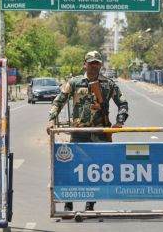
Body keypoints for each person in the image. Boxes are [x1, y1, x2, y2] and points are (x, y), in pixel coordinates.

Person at [46, 50, 129, 212]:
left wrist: (119, 122)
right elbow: (58, 102)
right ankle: (68, 200)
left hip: (99, 133)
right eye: (91, 63)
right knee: (72, 166)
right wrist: (51, 121)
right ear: (85, 64)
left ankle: (91, 202)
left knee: (96, 168)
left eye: (97, 63)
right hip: (79, 132)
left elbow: (123, 104)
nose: (94, 66)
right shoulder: (75, 83)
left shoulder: (108, 84)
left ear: (100, 65)